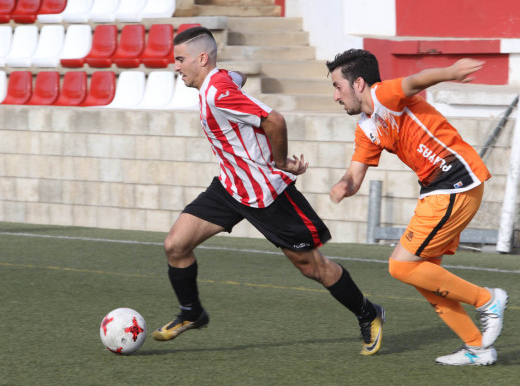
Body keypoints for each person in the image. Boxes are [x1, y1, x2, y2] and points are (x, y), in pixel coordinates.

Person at [151, 27, 385, 356]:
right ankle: (192, 312)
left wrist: (280, 162)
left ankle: (368, 313)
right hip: (230, 187)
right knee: (175, 245)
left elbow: (274, 121)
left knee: (312, 267)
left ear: (202, 59)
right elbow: (238, 76)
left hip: (266, 194)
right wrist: (233, 80)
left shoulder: (217, 92)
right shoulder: (219, 82)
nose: (175, 66)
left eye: (180, 59)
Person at [325, 49, 509, 365]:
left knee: (401, 266)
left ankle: (488, 300)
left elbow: (416, 80)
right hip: (439, 190)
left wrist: (451, 71)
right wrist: (345, 185)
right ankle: (477, 348)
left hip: (456, 181)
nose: (335, 97)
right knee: (425, 276)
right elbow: (355, 174)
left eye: (337, 87)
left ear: (358, 84)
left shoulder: (383, 94)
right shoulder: (367, 127)